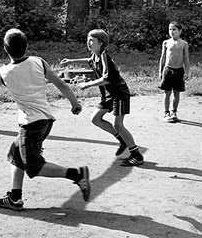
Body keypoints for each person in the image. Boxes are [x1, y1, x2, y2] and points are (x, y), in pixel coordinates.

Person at [0, 29, 90, 210]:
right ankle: (14, 197)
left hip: (31, 125)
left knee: (34, 166)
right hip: (45, 120)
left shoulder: (5, 72)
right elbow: (61, 83)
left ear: (5, 49)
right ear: (27, 46)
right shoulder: (38, 61)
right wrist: (75, 103)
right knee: (16, 155)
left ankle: (76, 174)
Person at [60, 29, 143, 167]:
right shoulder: (95, 55)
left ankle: (136, 155)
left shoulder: (104, 56)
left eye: (92, 40)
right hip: (108, 95)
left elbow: (107, 78)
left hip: (119, 94)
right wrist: (71, 61)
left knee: (118, 125)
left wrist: (87, 84)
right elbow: (89, 60)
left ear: (101, 43)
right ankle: (122, 140)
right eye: (88, 39)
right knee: (96, 119)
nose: (88, 42)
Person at [158, 21, 190, 122]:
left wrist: (187, 72)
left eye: (174, 29)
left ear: (180, 31)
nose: (172, 31)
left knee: (177, 93)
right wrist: (160, 71)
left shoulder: (184, 44)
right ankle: (166, 113)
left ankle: (174, 112)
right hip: (168, 70)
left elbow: (186, 58)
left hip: (179, 70)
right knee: (167, 92)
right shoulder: (166, 43)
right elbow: (162, 58)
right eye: (170, 29)